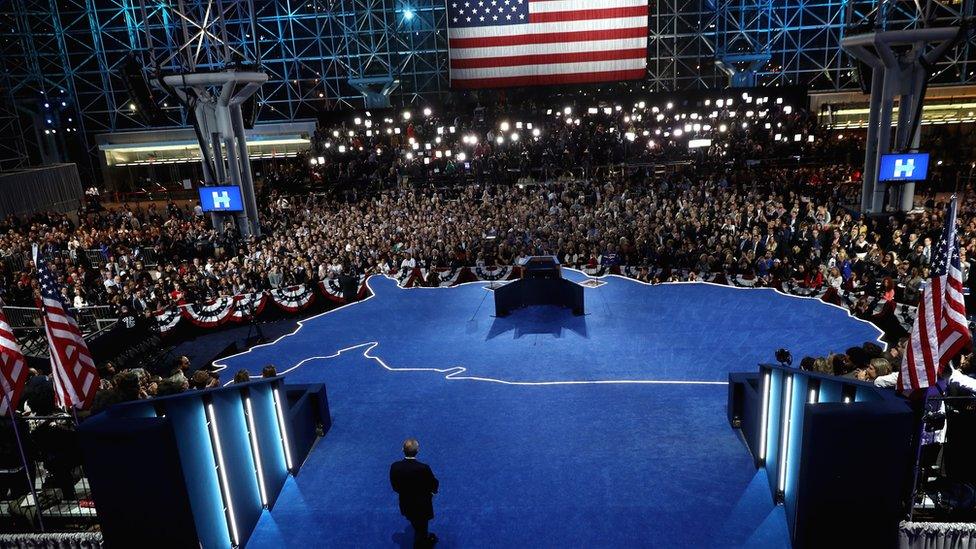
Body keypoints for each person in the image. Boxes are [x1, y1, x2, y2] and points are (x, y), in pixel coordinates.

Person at [390, 438, 439, 547]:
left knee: (414, 520)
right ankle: (423, 542)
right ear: (417, 451)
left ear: (402, 449)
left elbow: (395, 486)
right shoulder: (423, 468)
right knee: (422, 526)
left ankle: (422, 535)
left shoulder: (395, 466)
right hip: (423, 504)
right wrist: (433, 493)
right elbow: (433, 483)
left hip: (406, 502)